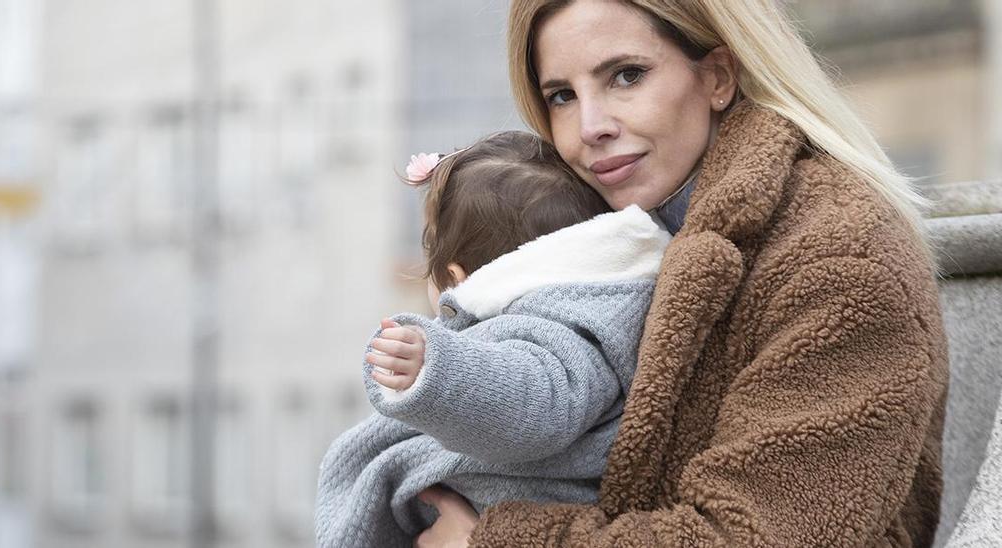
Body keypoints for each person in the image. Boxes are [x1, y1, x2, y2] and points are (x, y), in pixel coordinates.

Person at [413, 1, 949, 546]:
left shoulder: (838, 258)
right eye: (562, 96)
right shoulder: (623, 243)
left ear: (718, 76)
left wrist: (490, 541)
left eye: (626, 76)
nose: (590, 127)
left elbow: (754, 537)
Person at [314, 130, 674, 547]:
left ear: (455, 277)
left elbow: (538, 395)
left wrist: (439, 371)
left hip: (525, 500)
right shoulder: (594, 302)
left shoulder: (562, 323)